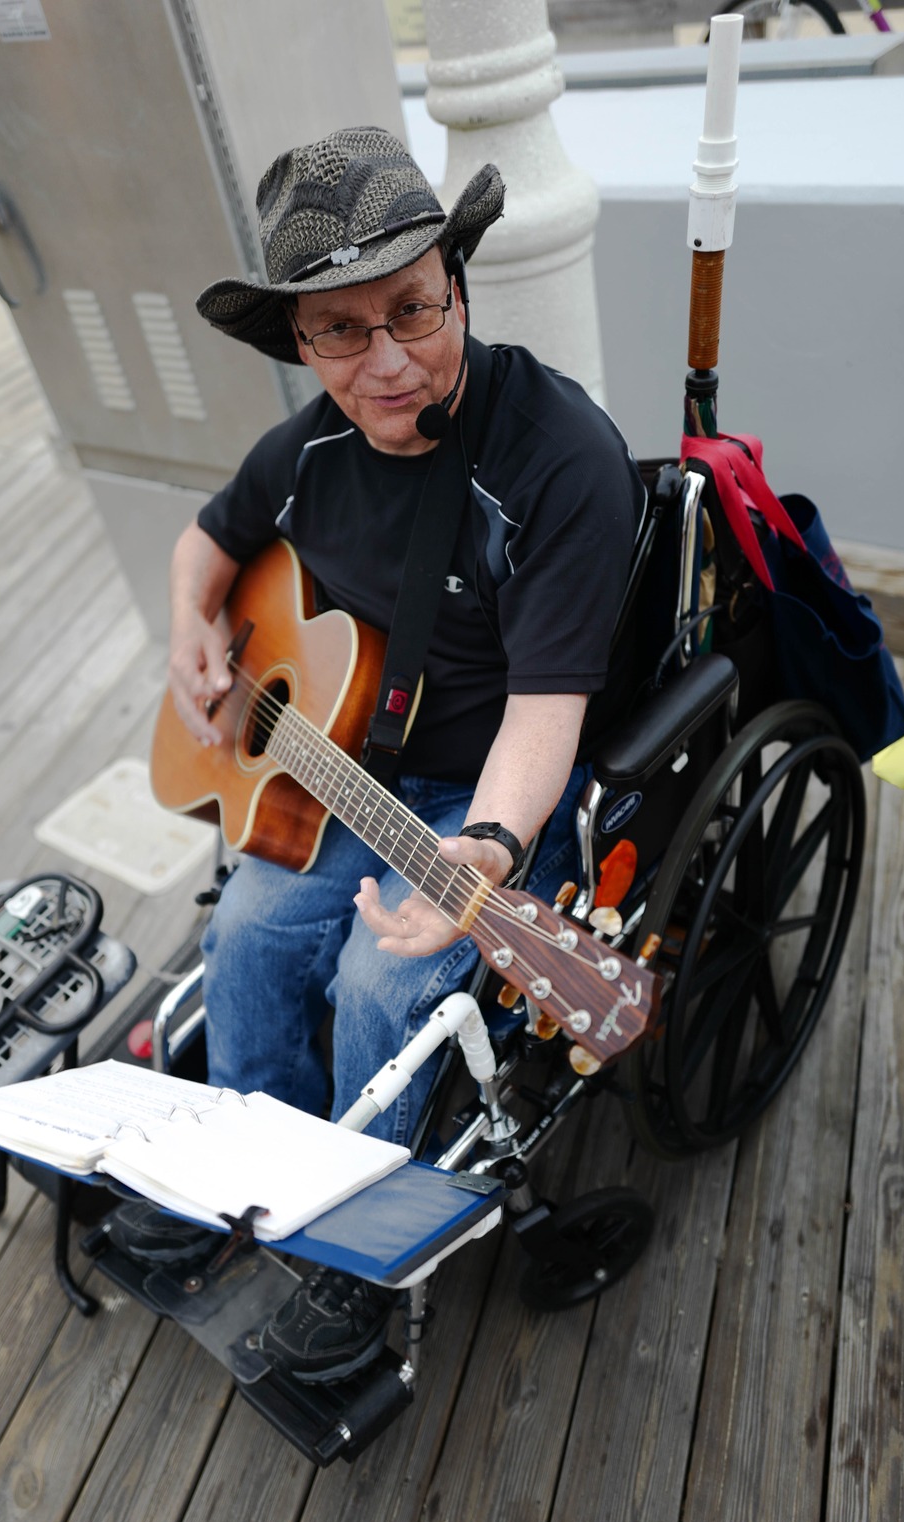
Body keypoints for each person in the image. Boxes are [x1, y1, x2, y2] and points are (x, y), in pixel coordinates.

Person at [132, 125, 645, 1379]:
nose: (387, 361)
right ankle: (250, 1165)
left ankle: (356, 1246)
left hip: (489, 790)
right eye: (340, 331)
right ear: (299, 339)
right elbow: (207, 541)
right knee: (247, 929)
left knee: (377, 983)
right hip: (333, 767)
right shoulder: (307, 446)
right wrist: (192, 628)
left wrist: (480, 852)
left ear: (456, 281)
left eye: (412, 311)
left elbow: (545, 708)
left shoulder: (557, 461)